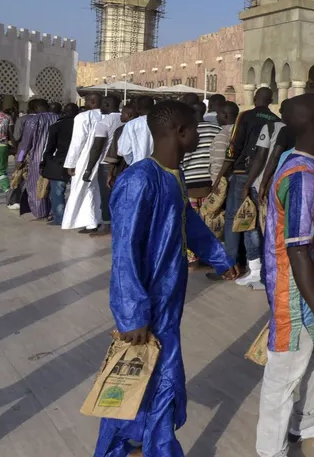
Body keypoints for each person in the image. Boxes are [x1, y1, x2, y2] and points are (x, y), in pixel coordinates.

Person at [93, 100, 239, 457]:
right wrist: (132, 314)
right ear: (181, 133)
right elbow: (124, 253)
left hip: (168, 305)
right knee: (138, 384)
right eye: (195, 128)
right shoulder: (139, 180)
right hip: (146, 308)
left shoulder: (174, 177)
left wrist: (220, 258)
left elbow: (187, 224)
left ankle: (149, 446)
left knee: (159, 380)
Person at [254, 94, 314, 457]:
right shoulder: (302, 175)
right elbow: (298, 247)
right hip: (295, 291)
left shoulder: (304, 162)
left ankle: (304, 422)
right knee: (283, 376)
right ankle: (270, 451)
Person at [215, 88, 279, 278]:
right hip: (264, 176)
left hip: (243, 172)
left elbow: (234, 147)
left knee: (233, 218)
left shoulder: (244, 117)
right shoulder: (275, 120)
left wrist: (220, 175)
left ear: (254, 98)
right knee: (257, 220)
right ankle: (256, 265)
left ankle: (230, 265)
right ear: (271, 100)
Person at [62, 94, 104, 232]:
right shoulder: (108, 116)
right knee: (94, 189)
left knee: (82, 188)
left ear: (92, 101)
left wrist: (71, 163)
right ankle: (93, 220)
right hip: (103, 158)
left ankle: (90, 221)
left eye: (85, 100)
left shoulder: (83, 117)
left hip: (85, 158)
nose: (84, 103)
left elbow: (77, 142)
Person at [81, 95, 122, 236]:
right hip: (123, 164)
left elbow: (97, 147)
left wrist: (88, 168)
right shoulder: (126, 119)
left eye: (103, 104)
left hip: (106, 164)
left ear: (107, 104)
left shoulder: (104, 122)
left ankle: (107, 226)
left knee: (106, 196)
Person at [15, 99, 58, 219]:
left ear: (34, 108)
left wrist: (20, 158)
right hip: (56, 158)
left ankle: (40, 213)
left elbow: (25, 143)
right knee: (52, 187)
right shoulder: (58, 117)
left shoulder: (33, 120)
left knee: (35, 186)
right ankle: (54, 212)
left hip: (38, 158)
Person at [42, 104, 78, 224]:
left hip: (60, 161)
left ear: (63, 112)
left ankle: (60, 218)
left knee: (57, 192)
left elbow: (50, 147)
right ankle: (77, 217)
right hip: (79, 162)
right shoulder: (82, 125)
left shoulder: (56, 126)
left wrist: (45, 161)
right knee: (77, 191)